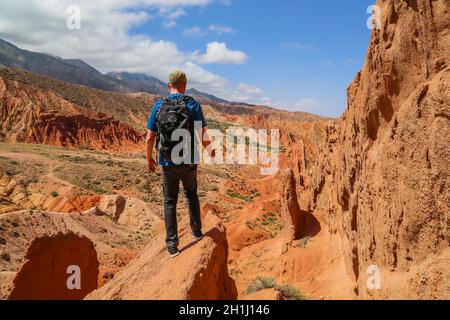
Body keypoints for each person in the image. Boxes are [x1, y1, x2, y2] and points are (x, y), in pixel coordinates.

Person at [146, 70, 214, 258]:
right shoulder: (192, 104)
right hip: (189, 159)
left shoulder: (159, 105)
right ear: (185, 85)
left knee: (170, 202)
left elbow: (150, 137)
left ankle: (172, 245)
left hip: (167, 161)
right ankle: (197, 231)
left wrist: (149, 159)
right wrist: (211, 151)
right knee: (191, 193)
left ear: (169, 86)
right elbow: (202, 133)